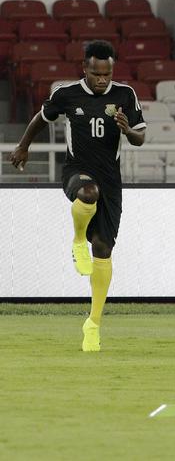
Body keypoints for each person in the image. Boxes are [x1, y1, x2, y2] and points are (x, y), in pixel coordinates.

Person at [8, 40, 146, 352]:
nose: (102, 80)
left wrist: (127, 130)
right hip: (77, 170)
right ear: (85, 68)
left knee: (104, 249)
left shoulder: (125, 94)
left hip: (112, 179)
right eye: (97, 74)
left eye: (107, 74)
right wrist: (23, 145)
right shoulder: (66, 94)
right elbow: (41, 118)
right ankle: (77, 238)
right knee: (87, 193)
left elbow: (140, 138)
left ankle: (93, 323)